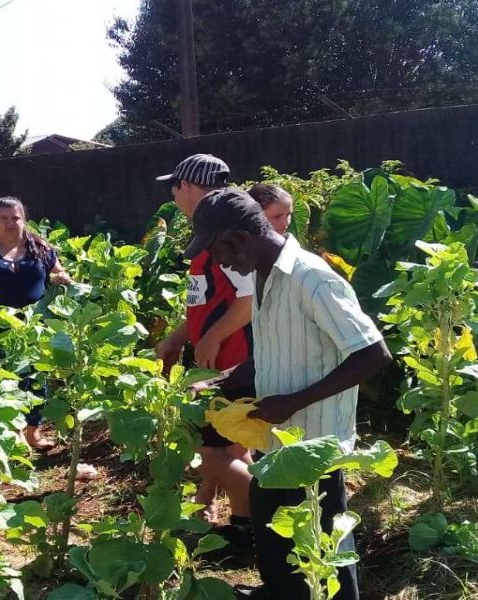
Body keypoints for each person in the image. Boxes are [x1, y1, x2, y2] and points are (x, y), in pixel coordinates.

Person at [184, 191, 392, 600]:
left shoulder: (311, 278)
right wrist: (221, 380)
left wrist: (292, 402)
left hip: (314, 446)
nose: (220, 262)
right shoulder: (263, 276)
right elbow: (269, 352)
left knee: (323, 545)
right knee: (274, 534)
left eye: (220, 250)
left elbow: (373, 354)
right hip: (276, 439)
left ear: (242, 237)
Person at [154, 154, 256, 549]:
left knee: (210, 451)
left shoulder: (226, 233)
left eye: (175, 186)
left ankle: (255, 526)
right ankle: (241, 525)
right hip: (218, 360)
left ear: (190, 188)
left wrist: (212, 338)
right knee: (227, 445)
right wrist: (181, 337)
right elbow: (208, 301)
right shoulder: (215, 229)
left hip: (231, 362)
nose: (173, 194)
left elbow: (249, 300)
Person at [0, 197, 97, 480]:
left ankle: (33, 432)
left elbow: (59, 272)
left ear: (24, 218)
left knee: (36, 379)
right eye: (4, 218)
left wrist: (62, 279)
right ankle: (15, 435)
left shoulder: (40, 247)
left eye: (16, 217)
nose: (10, 223)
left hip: (36, 324)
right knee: (4, 380)